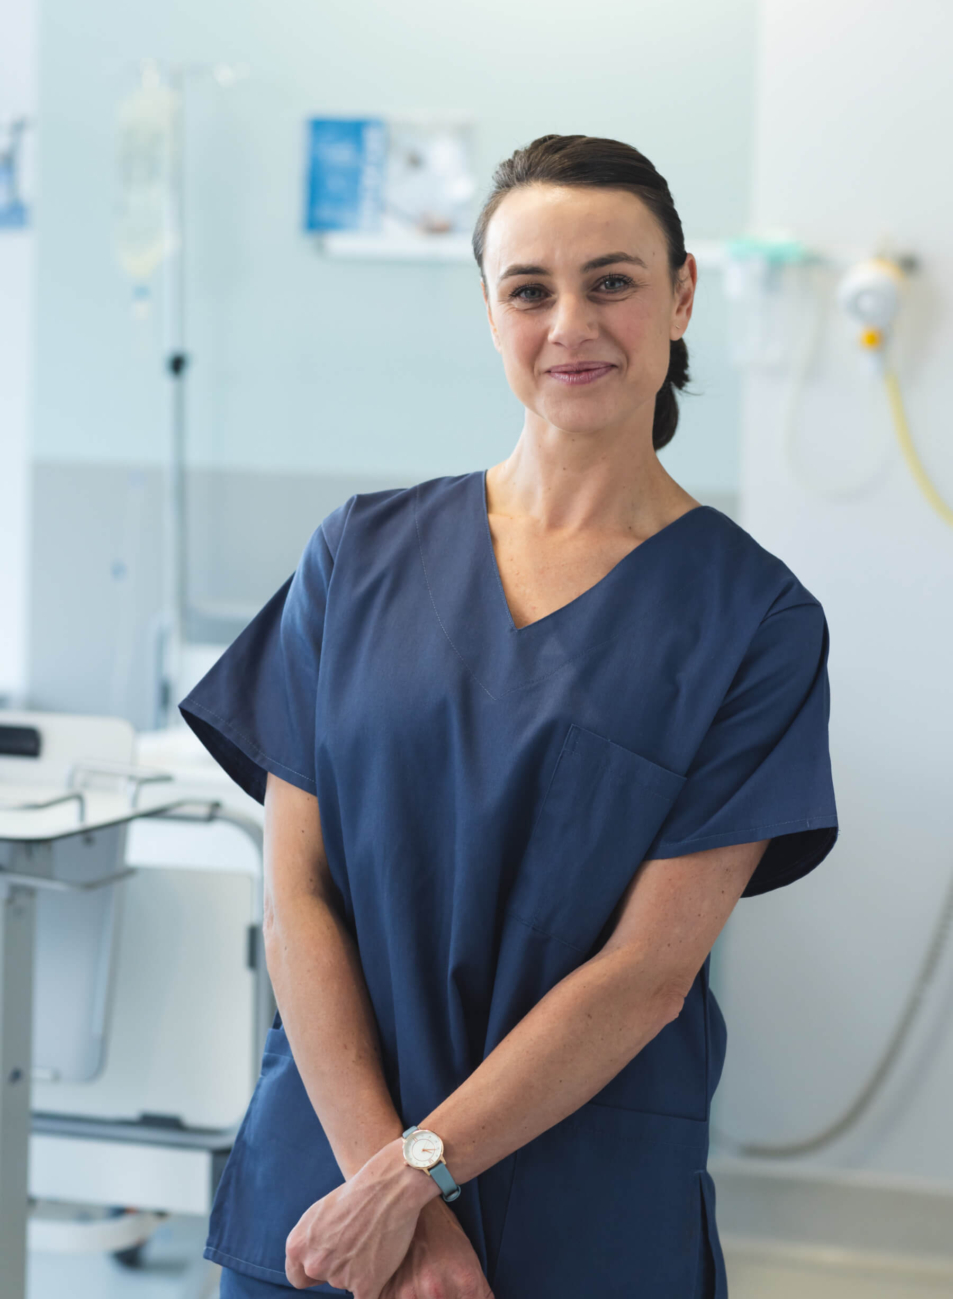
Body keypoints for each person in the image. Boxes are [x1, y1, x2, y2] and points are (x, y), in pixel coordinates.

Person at [179, 134, 838, 1299]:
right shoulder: (358, 555)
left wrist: (410, 1181)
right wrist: (385, 1192)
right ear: (485, 310)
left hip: (573, 1208)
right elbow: (296, 896)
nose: (569, 325)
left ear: (681, 295)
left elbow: (646, 972)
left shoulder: (754, 622)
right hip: (325, 1192)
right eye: (528, 290)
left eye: (613, 281)